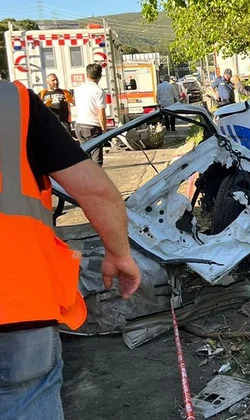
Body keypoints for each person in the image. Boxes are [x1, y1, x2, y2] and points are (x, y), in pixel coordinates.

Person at [0, 80, 141, 420]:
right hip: (19, 303)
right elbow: (95, 191)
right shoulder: (13, 103)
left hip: (20, 306)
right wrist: (119, 255)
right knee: (25, 400)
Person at [74, 63, 107, 166]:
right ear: (100, 76)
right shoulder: (99, 91)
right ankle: (97, 176)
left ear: (87, 75)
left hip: (79, 125)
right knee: (96, 159)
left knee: (85, 158)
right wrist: (104, 129)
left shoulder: (79, 89)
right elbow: (101, 113)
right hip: (92, 127)